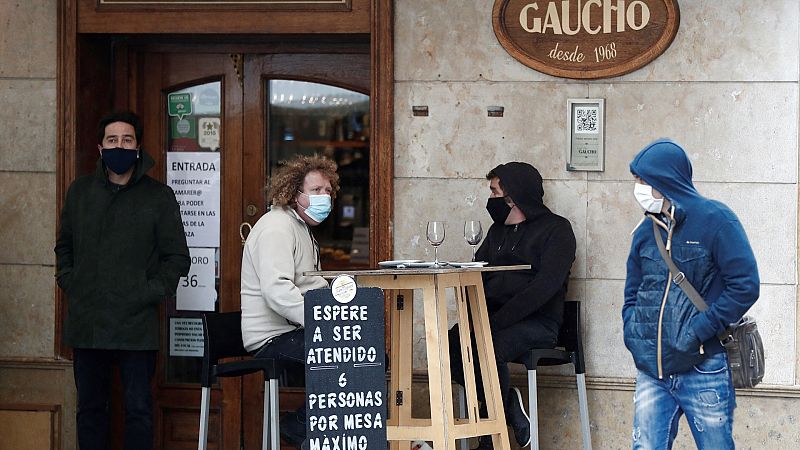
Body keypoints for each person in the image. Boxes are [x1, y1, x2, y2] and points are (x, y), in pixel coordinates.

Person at [55, 111, 191, 450]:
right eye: (112, 140)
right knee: (89, 411)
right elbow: (64, 246)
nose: (120, 146)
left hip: (136, 325)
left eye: (127, 140)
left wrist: (149, 291)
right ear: (100, 148)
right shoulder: (80, 192)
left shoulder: (159, 196)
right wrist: (72, 281)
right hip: (88, 321)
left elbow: (176, 257)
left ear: (138, 146)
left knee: (139, 410)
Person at [624, 139, 760, 449]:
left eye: (644, 180)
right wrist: (633, 333)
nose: (639, 187)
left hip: (703, 366)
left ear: (665, 179)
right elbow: (633, 291)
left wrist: (698, 332)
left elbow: (745, 285)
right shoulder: (647, 231)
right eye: (637, 180)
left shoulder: (716, 219)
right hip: (651, 370)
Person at [449, 162, 577, 449]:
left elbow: (544, 288)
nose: (490, 199)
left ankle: (489, 441)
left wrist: (494, 321)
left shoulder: (557, 230)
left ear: (513, 196)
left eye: (495, 192)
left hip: (538, 323)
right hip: (495, 321)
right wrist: (476, 316)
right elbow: (476, 273)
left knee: (488, 343)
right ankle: (508, 406)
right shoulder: (497, 232)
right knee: (451, 343)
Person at [240, 155, 340, 450]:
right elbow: (278, 291)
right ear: (293, 193)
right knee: (345, 354)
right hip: (272, 338)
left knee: (368, 354)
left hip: (292, 331)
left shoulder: (301, 228)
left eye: (328, 191)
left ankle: (323, 435)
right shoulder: (276, 228)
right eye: (316, 190)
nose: (325, 197)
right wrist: (323, 322)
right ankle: (300, 426)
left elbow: (311, 284)